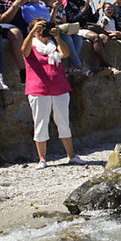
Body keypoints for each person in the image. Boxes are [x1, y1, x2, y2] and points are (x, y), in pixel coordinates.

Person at [21, 18, 85, 168]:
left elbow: (66, 53)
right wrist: (32, 32)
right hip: (38, 89)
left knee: (63, 121)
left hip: (59, 87)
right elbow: (24, 51)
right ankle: (42, 158)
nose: (42, 32)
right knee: (40, 123)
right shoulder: (32, 45)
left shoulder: (52, 46)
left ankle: (71, 156)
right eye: (39, 29)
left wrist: (57, 37)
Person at [64, 0, 119, 76]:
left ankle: (102, 66)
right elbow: (72, 19)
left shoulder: (84, 3)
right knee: (95, 38)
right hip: (77, 28)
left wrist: (97, 11)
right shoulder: (68, 4)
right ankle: (108, 65)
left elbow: (92, 20)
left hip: (87, 27)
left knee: (105, 38)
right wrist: (83, 10)